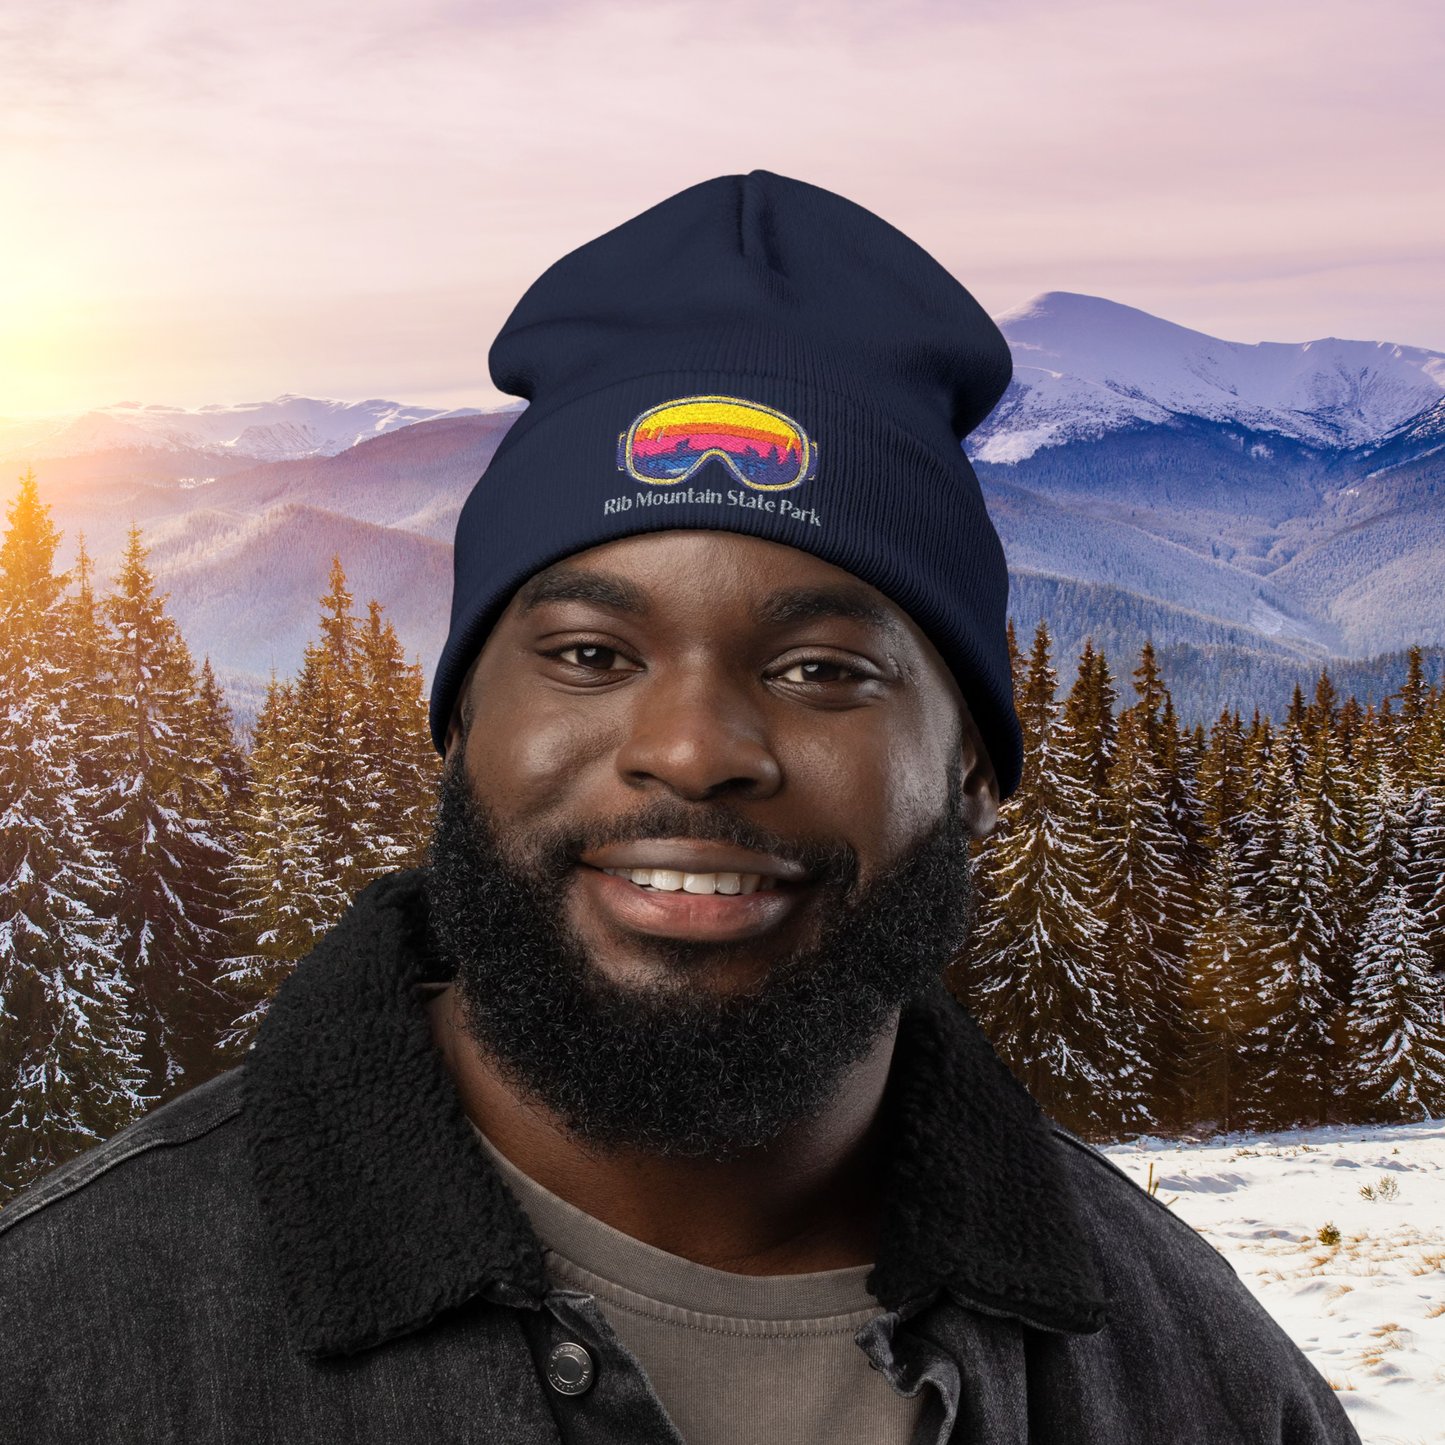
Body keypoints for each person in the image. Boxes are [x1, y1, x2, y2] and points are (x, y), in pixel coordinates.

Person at [0, 172, 1356, 1445]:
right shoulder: (63, 1347)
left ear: (973, 768)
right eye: (592, 655)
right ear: (467, 721)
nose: (694, 750)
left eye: (823, 670)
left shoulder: (1198, 1381)